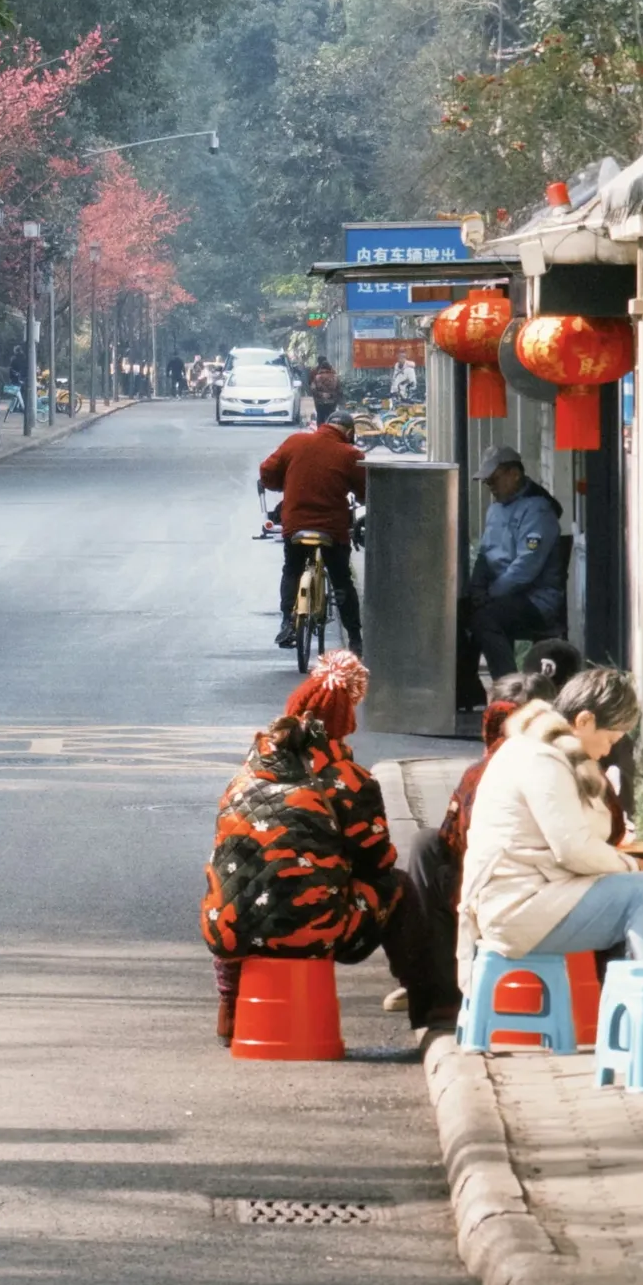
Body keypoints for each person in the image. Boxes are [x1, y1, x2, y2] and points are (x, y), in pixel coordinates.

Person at [201, 651, 444, 1040]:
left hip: (228, 934)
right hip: (317, 931)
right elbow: (377, 860)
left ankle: (230, 1010)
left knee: (235, 891)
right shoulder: (348, 780)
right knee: (398, 888)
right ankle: (430, 1004)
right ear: (344, 726)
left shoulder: (245, 774)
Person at [460, 666, 643, 980]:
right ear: (585, 720)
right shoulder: (541, 759)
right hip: (516, 909)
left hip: (527, 899)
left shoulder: (541, 750)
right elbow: (573, 849)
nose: (608, 749)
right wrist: (633, 866)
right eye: (610, 738)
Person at [395, 668, 559, 1017]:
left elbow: (454, 839)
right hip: (520, 891)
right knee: (427, 847)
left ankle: (435, 991)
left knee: (426, 850)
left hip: (522, 896)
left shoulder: (494, 770)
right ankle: (433, 985)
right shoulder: (564, 759)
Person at [460, 442, 568, 695]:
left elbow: (525, 568)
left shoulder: (538, 509)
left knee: (486, 617)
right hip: (501, 593)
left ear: (514, 474)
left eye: (494, 480)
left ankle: (510, 689)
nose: (491, 488)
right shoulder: (496, 508)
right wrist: (476, 589)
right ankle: (466, 688)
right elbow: (485, 554)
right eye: (487, 483)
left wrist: (490, 595)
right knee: (458, 612)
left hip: (534, 599)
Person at [257, 412, 365, 650]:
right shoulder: (351, 455)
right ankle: (355, 638)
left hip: (296, 523)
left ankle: (287, 621)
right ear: (349, 433)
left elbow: (267, 471)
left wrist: (283, 484)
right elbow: (365, 491)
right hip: (332, 529)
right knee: (342, 580)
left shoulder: (296, 441)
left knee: (292, 570)